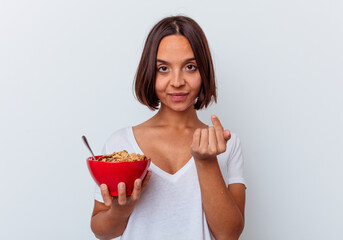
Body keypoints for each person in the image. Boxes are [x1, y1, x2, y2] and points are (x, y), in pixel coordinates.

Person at [90, 15, 246, 240]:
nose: (177, 81)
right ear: (149, 73)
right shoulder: (120, 144)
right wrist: (120, 211)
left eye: (190, 67)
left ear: (204, 72)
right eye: (163, 68)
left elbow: (229, 235)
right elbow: (102, 231)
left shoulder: (225, 145)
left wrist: (206, 162)